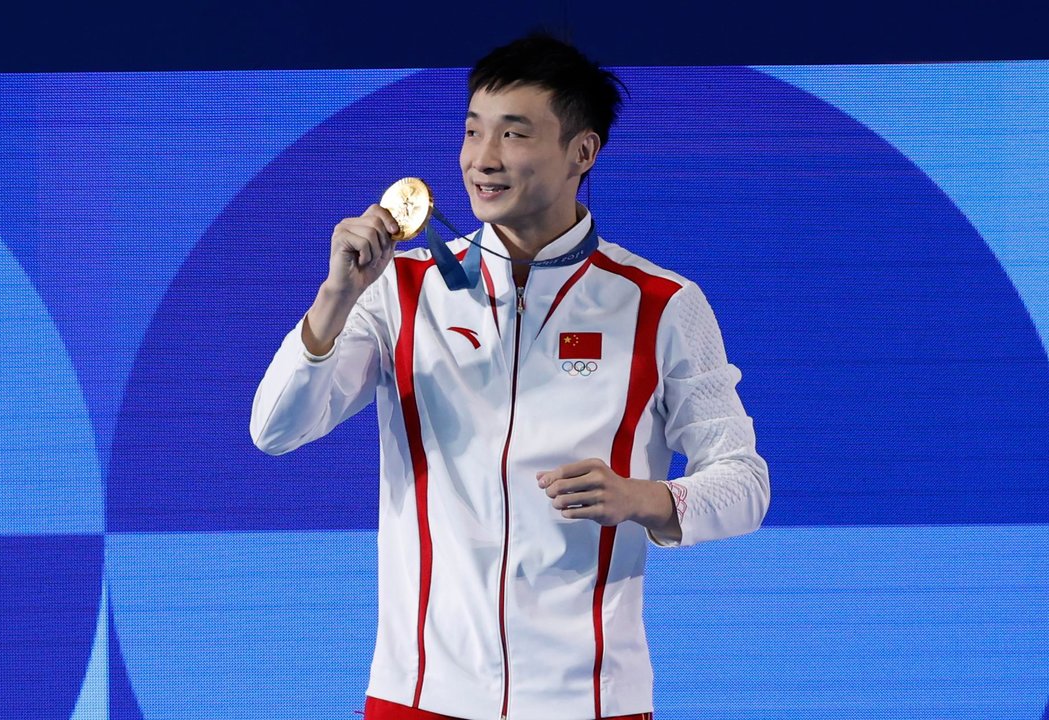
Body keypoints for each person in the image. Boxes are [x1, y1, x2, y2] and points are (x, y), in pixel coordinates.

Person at [251, 34, 769, 720]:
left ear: (582, 152)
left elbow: (744, 483)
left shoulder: (661, 304)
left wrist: (644, 498)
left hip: (591, 701)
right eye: (472, 132)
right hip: (419, 696)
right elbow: (275, 429)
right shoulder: (400, 290)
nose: (482, 160)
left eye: (513, 134)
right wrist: (334, 298)